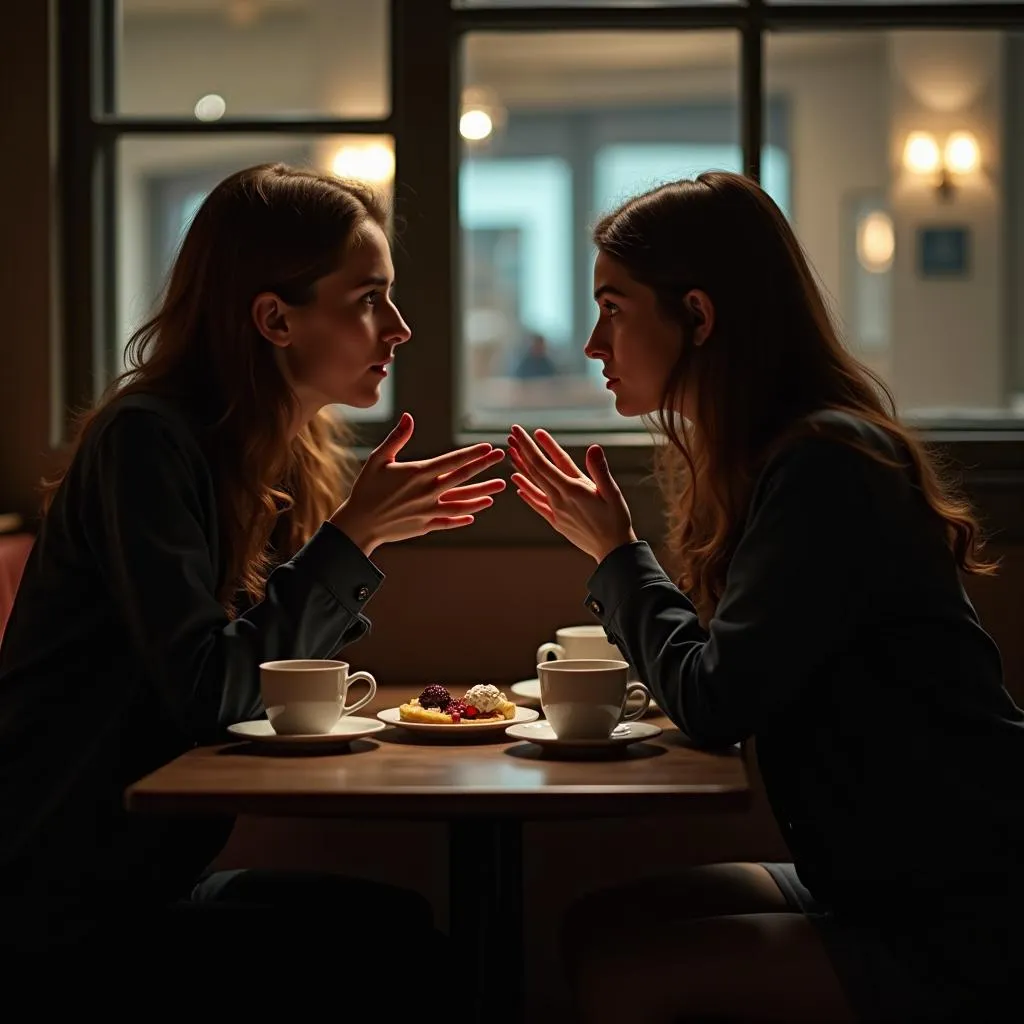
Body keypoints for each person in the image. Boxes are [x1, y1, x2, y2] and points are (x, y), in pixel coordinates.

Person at [506, 171, 1024, 1022]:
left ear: (700, 318)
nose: (595, 343)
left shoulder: (826, 463)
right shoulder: (775, 454)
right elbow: (729, 669)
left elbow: (715, 699)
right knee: (597, 924)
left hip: (959, 909)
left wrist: (613, 552)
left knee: (621, 977)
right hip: (878, 878)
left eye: (614, 307)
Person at [0, 163, 504, 993]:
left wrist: (354, 541)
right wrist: (355, 535)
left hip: (144, 877)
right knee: (409, 964)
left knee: (406, 932)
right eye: (369, 298)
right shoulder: (145, 443)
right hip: (62, 900)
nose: (401, 327)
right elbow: (212, 690)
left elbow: (254, 675)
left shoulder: (274, 454)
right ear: (274, 317)